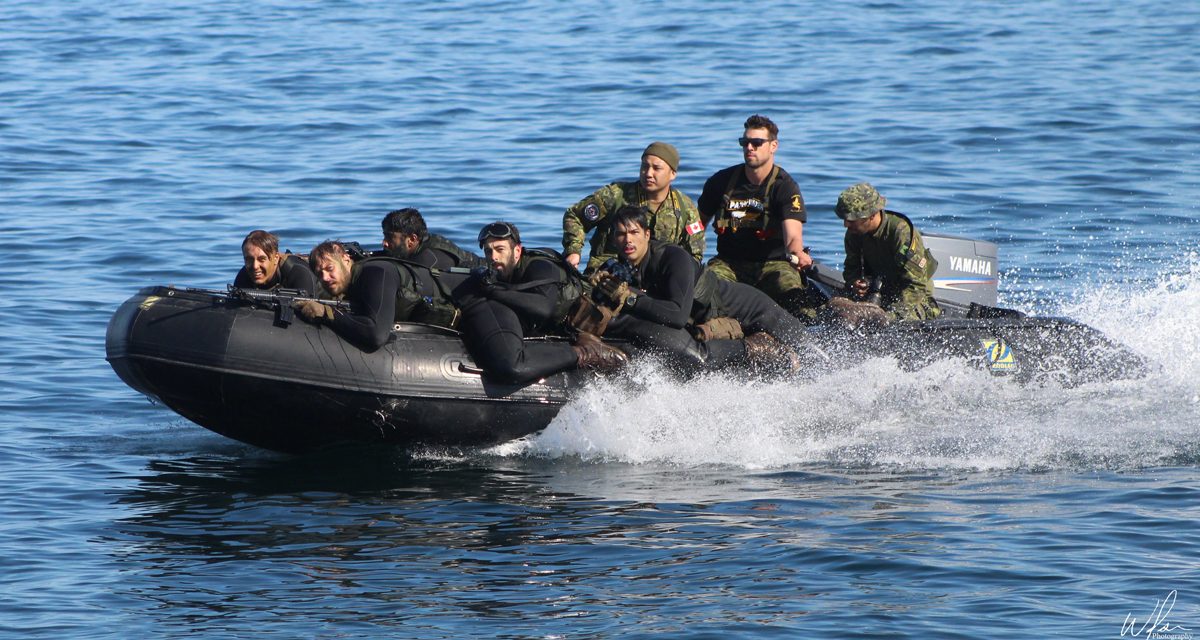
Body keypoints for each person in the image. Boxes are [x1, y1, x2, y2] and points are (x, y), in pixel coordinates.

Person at [592, 206, 813, 374]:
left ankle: (766, 348)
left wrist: (628, 298)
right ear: (613, 238)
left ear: (647, 235)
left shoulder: (672, 258)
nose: (627, 240)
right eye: (621, 234)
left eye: (634, 232)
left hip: (751, 310)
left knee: (812, 354)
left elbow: (676, 315)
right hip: (711, 323)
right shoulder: (618, 269)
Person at [456, 221, 627, 385]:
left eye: (500, 249)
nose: (493, 257)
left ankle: (587, 352)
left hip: (589, 321)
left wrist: (493, 291)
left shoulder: (540, 267)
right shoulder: (497, 275)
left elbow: (544, 308)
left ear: (517, 251)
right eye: (488, 251)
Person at [697, 115, 826, 318]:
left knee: (795, 298)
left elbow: (793, 236)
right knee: (707, 291)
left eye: (756, 143)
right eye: (745, 142)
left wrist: (797, 254)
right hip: (729, 263)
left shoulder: (784, 186)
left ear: (773, 146)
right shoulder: (720, 182)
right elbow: (697, 226)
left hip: (773, 265)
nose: (749, 147)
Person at [562, 141, 705, 274]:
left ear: (672, 174)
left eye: (656, 168)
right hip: (606, 273)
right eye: (644, 166)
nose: (648, 173)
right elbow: (575, 216)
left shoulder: (685, 208)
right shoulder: (615, 195)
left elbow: (694, 255)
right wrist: (574, 250)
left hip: (657, 278)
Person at [293, 240, 463, 350]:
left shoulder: (374, 273)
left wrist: (327, 313)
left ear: (346, 260)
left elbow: (375, 334)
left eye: (330, 269)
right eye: (319, 274)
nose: (325, 278)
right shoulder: (350, 284)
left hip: (468, 300)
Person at [829, 183, 941, 324]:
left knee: (888, 322)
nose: (846, 225)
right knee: (835, 310)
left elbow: (916, 285)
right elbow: (852, 268)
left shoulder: (900, 232)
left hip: (911, 299)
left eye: (852, 220)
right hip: (877, 295)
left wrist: (891, 316)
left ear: (871, 215)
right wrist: (856, 282)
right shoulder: (854, 234)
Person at [380, 207, 486, 269]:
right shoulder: (421, 246)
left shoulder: (428, 259)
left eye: (390, 237)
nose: (384, 243)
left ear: (412, 239)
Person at [233, 230, 320, 294]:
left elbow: (309, 311)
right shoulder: (244, 275)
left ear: (276, 258)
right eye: (249, 260)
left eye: (261, 259)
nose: (255, 266)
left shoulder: (298, 273)